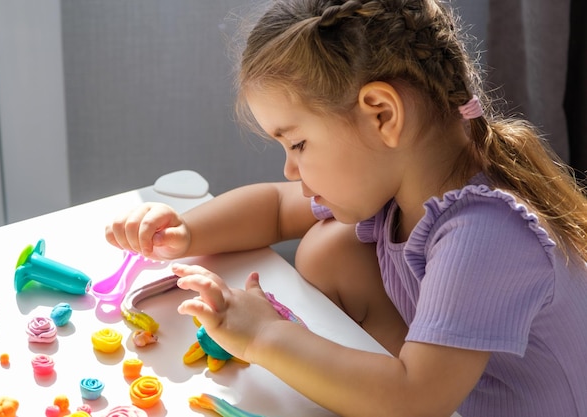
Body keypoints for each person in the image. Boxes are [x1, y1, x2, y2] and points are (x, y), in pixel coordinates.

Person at [105, 0, 587, 416]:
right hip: (447, 392)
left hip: (451, 402)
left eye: (297, 143)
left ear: (382, 114)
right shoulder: (405, 178)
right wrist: (185, 232)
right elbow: (275, 208)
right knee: (332, 245)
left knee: (330, 248)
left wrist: (263, 337)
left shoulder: (485, 234)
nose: (292, 170)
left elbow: (416, 400)